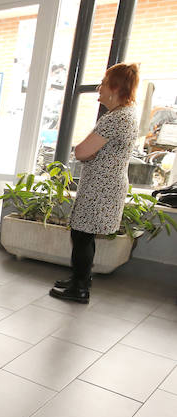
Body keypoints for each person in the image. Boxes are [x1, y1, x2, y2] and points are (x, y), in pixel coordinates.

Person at [50, 63, 140, 304]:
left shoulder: (116, 118)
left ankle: (80, 288)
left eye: (104, 83)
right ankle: (80, 278)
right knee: (84, 236)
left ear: (115, 88)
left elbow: (82, 151)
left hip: (101, 189)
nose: (100, 88)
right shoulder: (126, 114)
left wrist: (85, 152)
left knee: (82, 235)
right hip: (105, 186)